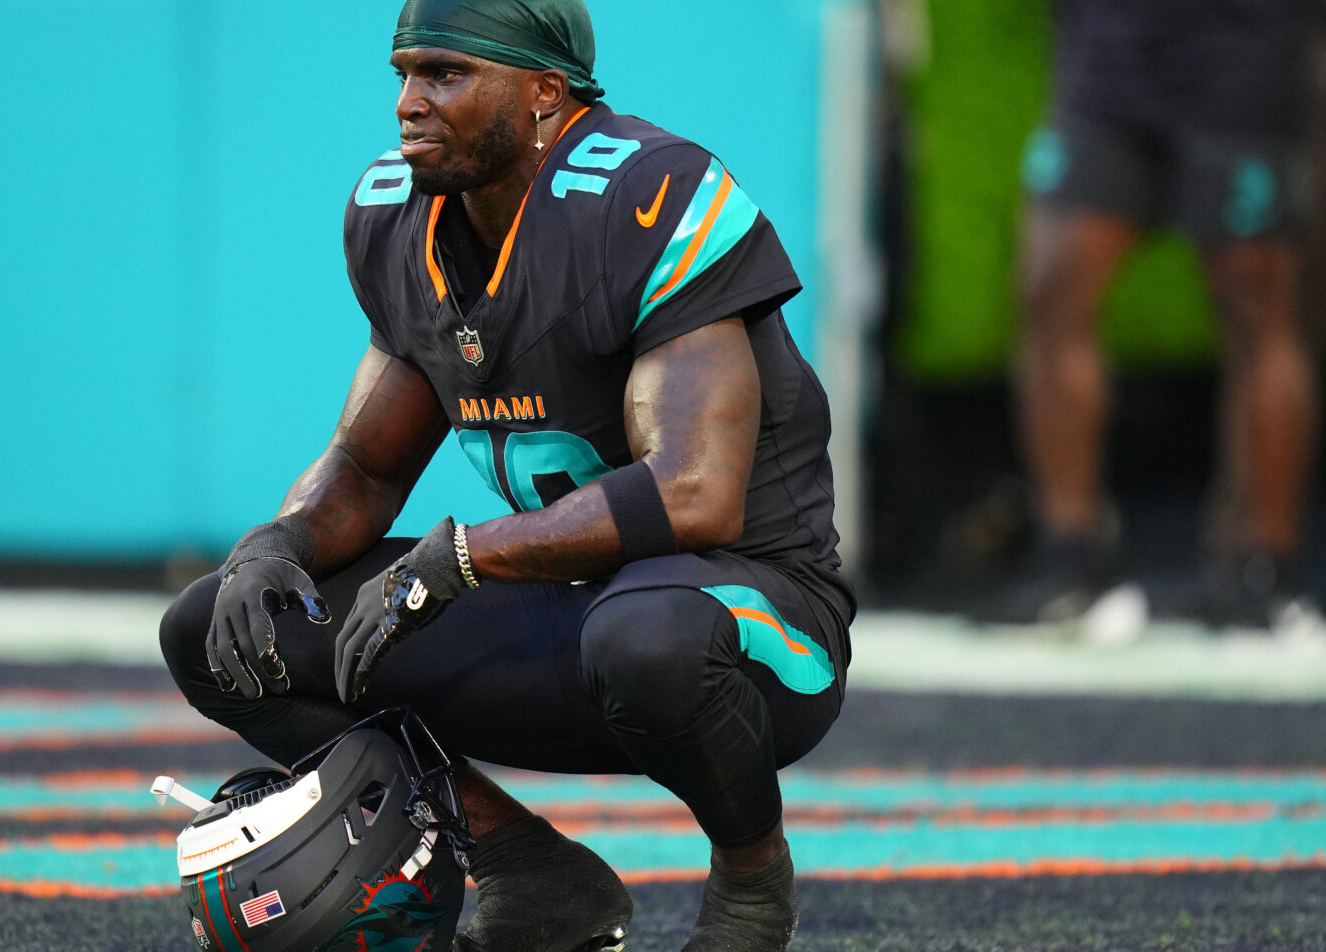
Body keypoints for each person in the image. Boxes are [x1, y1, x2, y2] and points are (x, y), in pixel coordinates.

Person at [160, 1, 855, 949]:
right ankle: (528, 868)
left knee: (645, 633)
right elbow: (365, 467)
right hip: (571, 614)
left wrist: (461, 559)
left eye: (445, 74)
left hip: (756, 630)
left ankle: (751, 886)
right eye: (404, 73)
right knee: (218, 629)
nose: (410, 102)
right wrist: (278, 542)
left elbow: (695, 490)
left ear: (544, 92)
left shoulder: (647, 196)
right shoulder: (400, 219)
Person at [1010, 0, 1319, 630]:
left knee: (1260, 309)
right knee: (1050, 290)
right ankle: (1070, 560)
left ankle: (1263, 571)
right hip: (1110, 55)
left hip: (1247, 57)